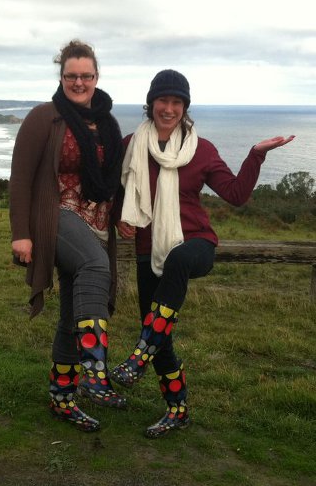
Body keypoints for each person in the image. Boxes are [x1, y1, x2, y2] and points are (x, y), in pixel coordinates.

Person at [110, 69, 294, 438]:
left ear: (185, 107)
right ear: (151, 104)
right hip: (149, 249)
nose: (169, 108)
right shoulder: (132, 143)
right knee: (160, 335)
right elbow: (117, 187)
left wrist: (256, 155)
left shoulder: (201, 149)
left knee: (176, 267)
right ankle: (177, 410)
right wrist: (118, 218)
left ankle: (137, 358)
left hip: (196, 244)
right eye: (163, 100)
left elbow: (236, 194)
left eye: (177, 102)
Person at [9, 39, 126, 433]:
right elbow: (21, 178)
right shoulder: (44, 117)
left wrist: (124, 216)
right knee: (95, 267)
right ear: (61, 77)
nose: (79, 82)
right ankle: (95, 369)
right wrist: (21, 234)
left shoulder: (107, 122)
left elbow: (115, 178)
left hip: (97, 220)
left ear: (97, 77)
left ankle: (62, 397)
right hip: (54, 215)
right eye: (71, 76)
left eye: (86, 76)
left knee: (71, 314)